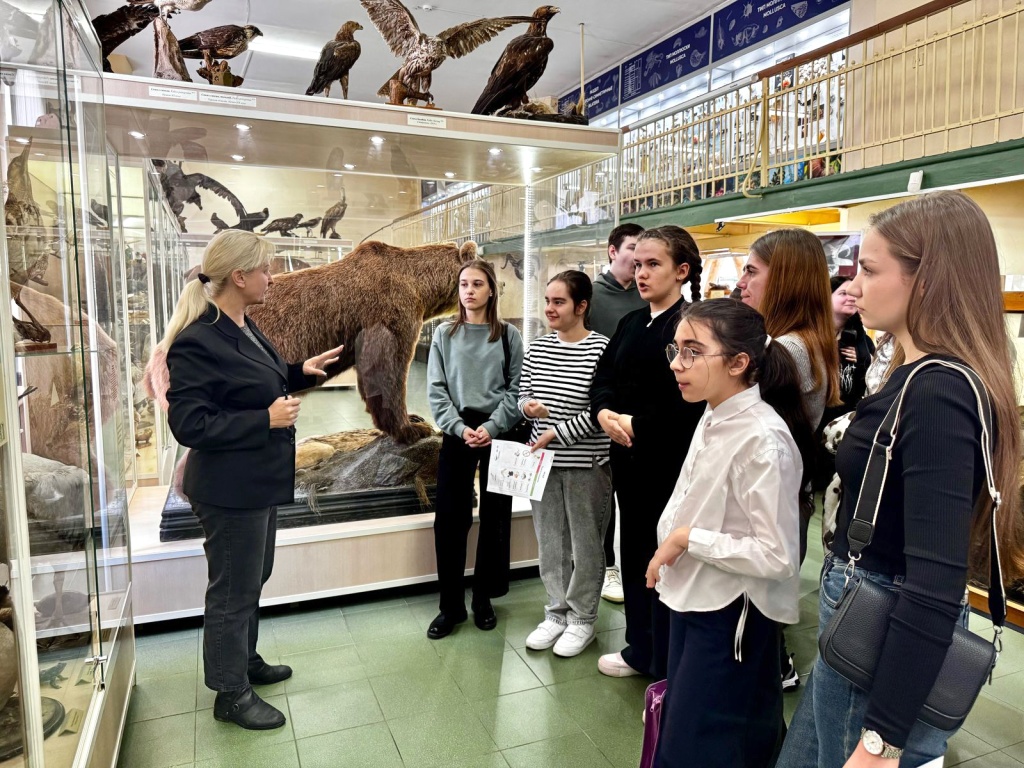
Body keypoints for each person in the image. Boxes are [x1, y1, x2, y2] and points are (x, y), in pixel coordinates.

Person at [777, 191, 1024, 768]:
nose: (854, 285)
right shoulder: (912, 372)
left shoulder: (939, 389)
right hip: (861, 614)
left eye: (869, 269)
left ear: (927, 280)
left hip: (882, 626)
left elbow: (935, 582)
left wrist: (882, 739)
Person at [164, 230, 343, 730]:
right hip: (229, 490)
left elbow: (258, 379)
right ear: (239, 276)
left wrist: (299, 372)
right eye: (266, 269)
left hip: (256, 482)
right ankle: (230, 694)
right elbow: (189, 424)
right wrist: (264, 420)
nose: (273, 277)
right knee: (232, 591)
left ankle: (244, 660)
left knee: (252, 579)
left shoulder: (242, 325)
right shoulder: (198, 339)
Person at [647, 298, 814, 768]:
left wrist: (686, 539)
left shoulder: (763, 439)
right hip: (696, 596)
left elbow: (778, 555)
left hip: (731, 614)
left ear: (739, 363)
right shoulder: (715, 412)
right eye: (676, 349)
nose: (677, 364)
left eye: (693, 351)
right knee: (689, 731)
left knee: (705, 744)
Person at [590, 225, 706, 679]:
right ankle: (641, 648)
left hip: (670, 465)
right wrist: (604, 414)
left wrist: (635, 424)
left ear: (681, 271)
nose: (641, 273)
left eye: (653, 264)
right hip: (627, 461)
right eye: (637, 264)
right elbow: (603, 378)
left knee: (668, 560)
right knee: (635, 552)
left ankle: (668, 663)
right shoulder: (631, 323)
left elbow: (690, 402)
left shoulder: (692, 327)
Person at [737, 227, 841, 690]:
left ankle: (769, 672)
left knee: (755, 608)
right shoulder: (801, 340)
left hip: (767, 498)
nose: (742, 282)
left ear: (784, 280)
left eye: (752, 271)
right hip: (783, 496)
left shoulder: (788, 349)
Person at [427, 258, 523, 640]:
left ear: (491, 290)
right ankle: (450, 607)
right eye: (464, 284)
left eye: (477, 283)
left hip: (498, 431)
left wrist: (492, 427)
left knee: (495, 518)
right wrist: (459, 428)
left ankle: (484, 598)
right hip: (458, 431)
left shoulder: (509, 336)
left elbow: (517, 390)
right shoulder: (443, 334)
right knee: (450, 520)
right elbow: (436, 390)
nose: (469, 290)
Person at [518, 271, 612, 657]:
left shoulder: (601, 349)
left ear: (581, 306)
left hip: (586, 462)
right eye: (547, 301)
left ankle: (582, 618)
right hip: (542, 463)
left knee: (587, 545)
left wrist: (558, 432)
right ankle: (556, 612)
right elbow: (523, 391)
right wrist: (528, 407)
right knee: (551, 543)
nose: (549, 309)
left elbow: (602, 409)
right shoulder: (538, 348)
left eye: (559, 302)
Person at [590, 222, 646, 605]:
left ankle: (632, 565)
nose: (639, 262)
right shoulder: (591, 296)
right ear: (613, 251)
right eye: (633, 249)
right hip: (600, 412)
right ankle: (606, 564)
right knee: (602, 495)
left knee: (633, 496)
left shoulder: (646, 300)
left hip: (638, 417)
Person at [814, 275, 876, 489]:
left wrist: (864, 358)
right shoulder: (813, 337)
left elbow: (871, 379)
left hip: (844, 422)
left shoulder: (861, 340)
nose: (850, 298)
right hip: (817, 419)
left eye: (853, 294)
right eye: (843, 293)